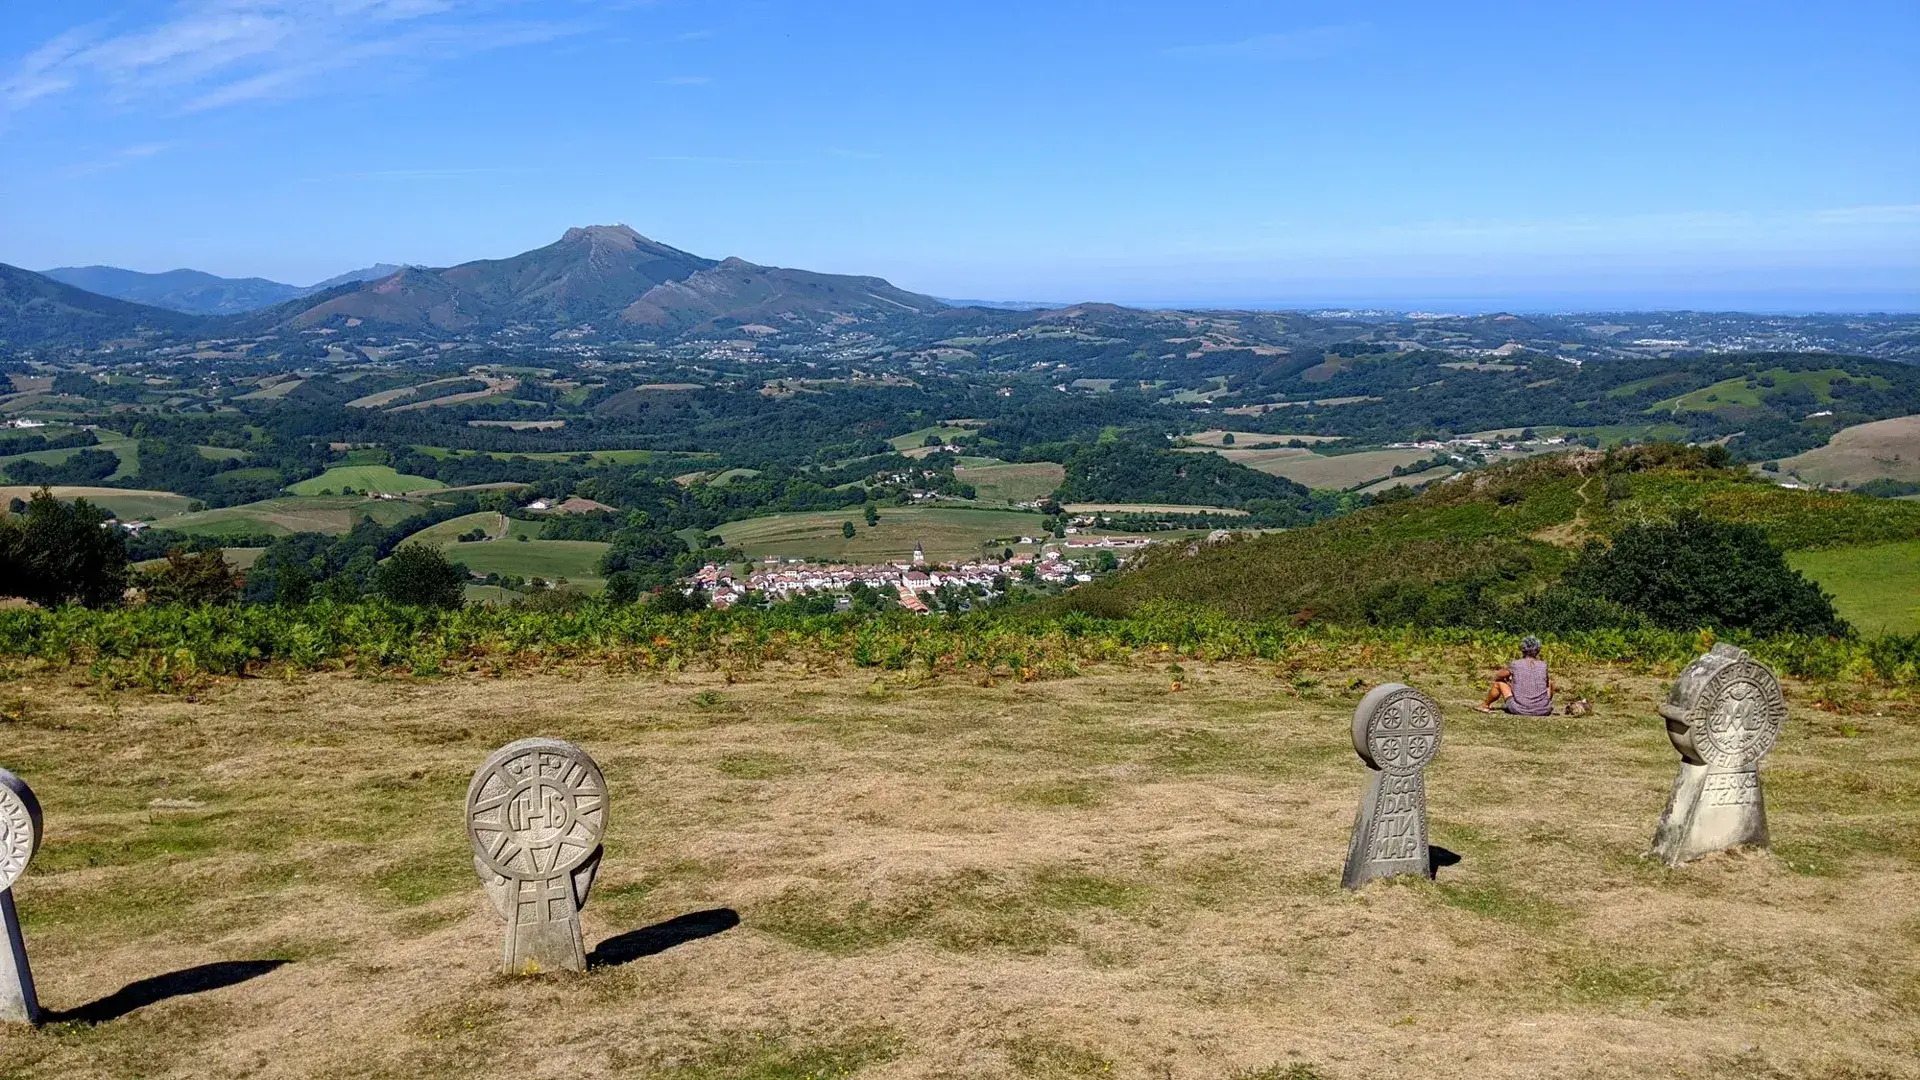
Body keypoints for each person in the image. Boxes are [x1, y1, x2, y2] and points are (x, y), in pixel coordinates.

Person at [1479, 636, 1556, 714]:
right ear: (1538, 650)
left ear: (1522, 650)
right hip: (1544, 711)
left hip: (1519, 709)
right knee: (1550, 683)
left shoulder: (1516, 664)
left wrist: (1509, 678)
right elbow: (1546, 683)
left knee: (1499, 683)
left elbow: (1498, 675)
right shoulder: (1543, 665)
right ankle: (1542, 705)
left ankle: (1484, 705)